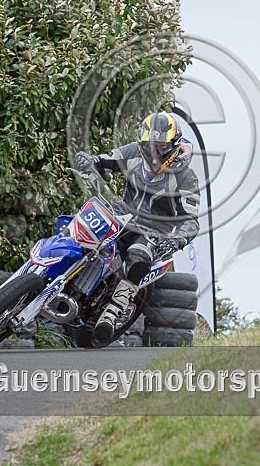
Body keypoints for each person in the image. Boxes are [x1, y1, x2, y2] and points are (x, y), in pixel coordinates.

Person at [72, 111, 200, 340]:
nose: (154, 152)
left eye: (160, 146)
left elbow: (190, 219)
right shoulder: (133, 151)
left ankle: (112, 311)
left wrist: (178, 238)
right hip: (120, 217)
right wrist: (89, 161)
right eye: (149, 145)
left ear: (174, 144)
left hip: (152, 232)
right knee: (81, 226)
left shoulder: (185, 177)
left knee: (138, 254)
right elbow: (104, 161)